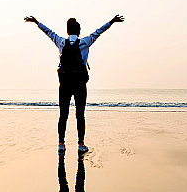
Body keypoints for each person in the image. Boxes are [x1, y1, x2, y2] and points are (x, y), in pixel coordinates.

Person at [24, 14, 124, 153]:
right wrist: (112, 21)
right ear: (79, 31)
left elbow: (48, 32)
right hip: (79, 84)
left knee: (63, 114)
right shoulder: (85, 42)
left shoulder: (61, 42)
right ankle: (81, 144)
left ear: (67, 31)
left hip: (65, 83)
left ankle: (61, 144)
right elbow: (99, 31)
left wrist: (36, 22)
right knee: (80, 114)